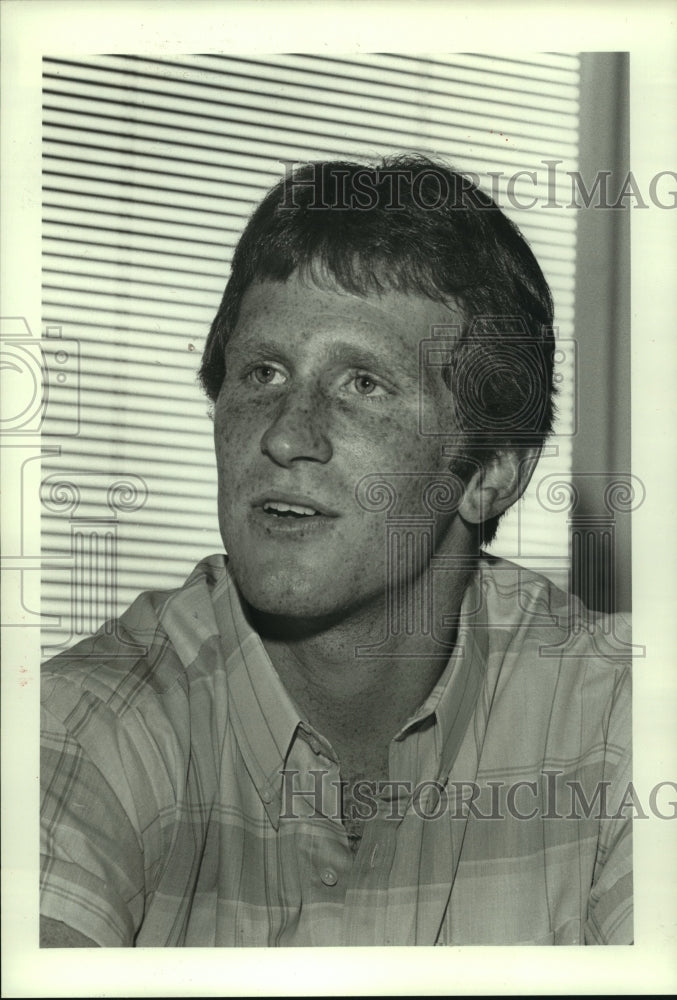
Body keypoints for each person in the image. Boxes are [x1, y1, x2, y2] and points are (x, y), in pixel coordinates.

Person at [40, 155, 632, 947]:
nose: (284, 433)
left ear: (489, 474)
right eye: (263, 371)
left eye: (363, 385)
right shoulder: (84, 728)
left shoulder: (620, 720)